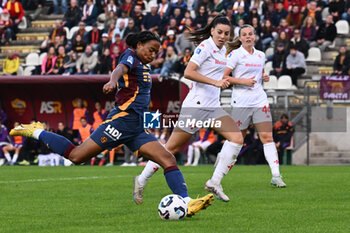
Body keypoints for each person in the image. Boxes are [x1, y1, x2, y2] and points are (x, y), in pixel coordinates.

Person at [10, 31, 213, 217]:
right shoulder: (131, 56)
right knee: (76, 156)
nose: (153, 55)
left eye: (156, 52)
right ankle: (38, 132)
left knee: (168, 158)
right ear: (139, 45)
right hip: (121, 122)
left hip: (136, 127)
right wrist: (113, 81)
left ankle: (187, 202)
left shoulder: (144, 65)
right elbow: (119, 68)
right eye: (151, 50)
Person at [133, 15, 243, 203]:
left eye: (226, 33)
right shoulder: (204, 47)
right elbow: (188, 72)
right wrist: (215, 82)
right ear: (212, 31)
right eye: (219, 32)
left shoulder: (223, 49)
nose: (223, 36)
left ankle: (215, 182)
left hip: (213, 107)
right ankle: (141, 179)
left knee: (237, 138)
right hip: (196, 106)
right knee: (171, 148)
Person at [221, 24, 286, 190]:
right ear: (240, 38)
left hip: (259, 100)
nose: (248, 37)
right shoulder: (235, 55)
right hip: (241, 102)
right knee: (236, 140)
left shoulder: (261, 55)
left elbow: (259, 74)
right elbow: (225, 77)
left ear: (254, 36)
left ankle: (276, 175)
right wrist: (243, 81)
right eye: (245, 34)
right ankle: (219, 167)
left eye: (251, 34)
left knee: (267, 138)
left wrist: (263, 76)